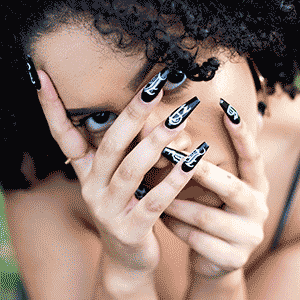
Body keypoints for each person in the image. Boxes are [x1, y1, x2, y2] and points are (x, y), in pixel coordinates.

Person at [1, 1, 300, 299]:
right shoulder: (47, 183)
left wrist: (219, 282)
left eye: (174, 77)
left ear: (247, 46)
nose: (159, 149)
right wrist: (125, 276)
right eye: (100, 118)